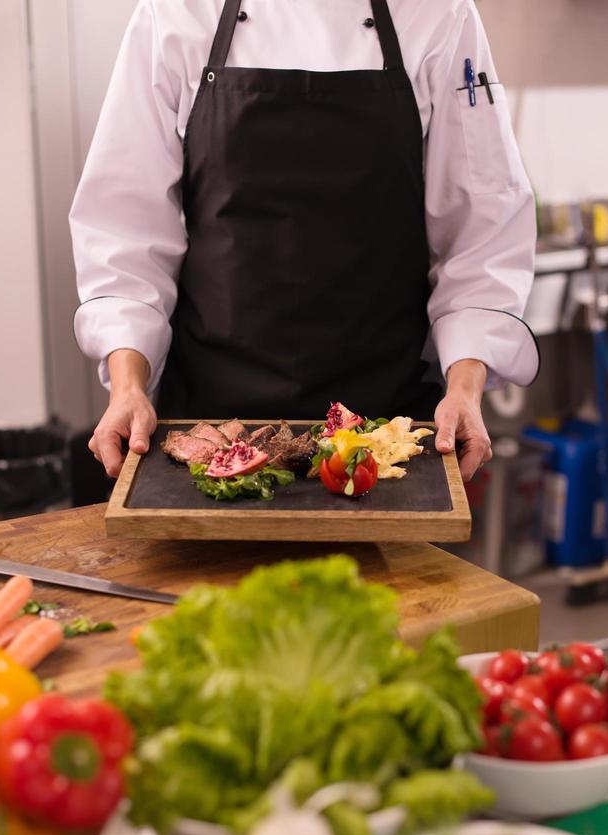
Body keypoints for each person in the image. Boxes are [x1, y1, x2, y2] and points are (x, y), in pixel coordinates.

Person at [70, 0, 539, 482]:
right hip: (210, 420)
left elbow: (483, 227)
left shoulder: (439, 13)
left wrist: (464, 389)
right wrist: (127, 387)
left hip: (386, 430)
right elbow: (126, 225)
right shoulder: (176, 12)